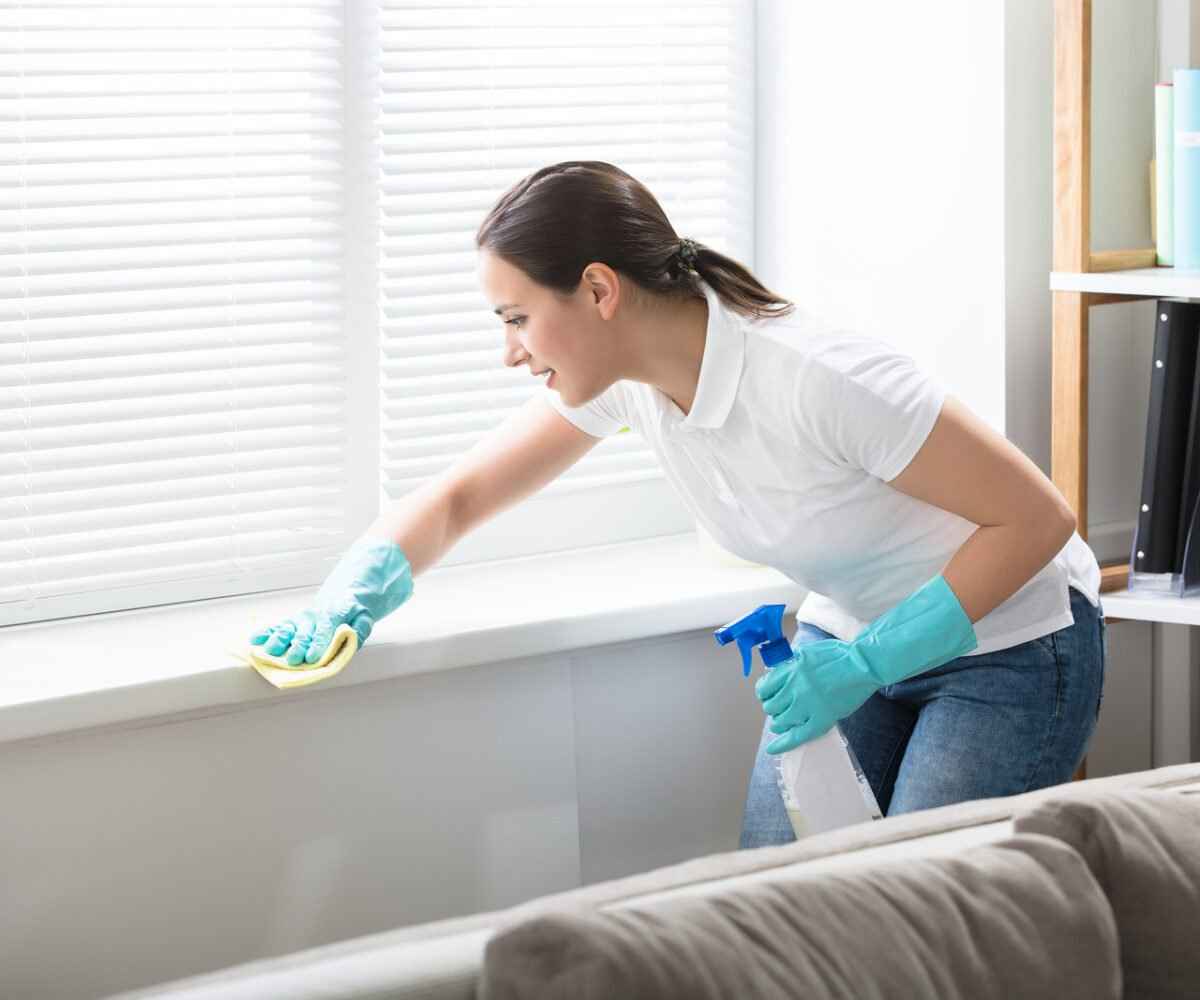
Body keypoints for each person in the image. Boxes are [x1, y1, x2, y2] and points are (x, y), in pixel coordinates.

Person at [250, 160, 1107, 843]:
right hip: (849, 641)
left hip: (1012, 645)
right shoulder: (629, 385)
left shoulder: (818, 378)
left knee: (926, 913)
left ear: (597, 290)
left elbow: (1038, 520)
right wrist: (349, 596)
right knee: (768, 911)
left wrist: (873, 662)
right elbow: (461, 496)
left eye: (516, 318)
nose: (508, 353)